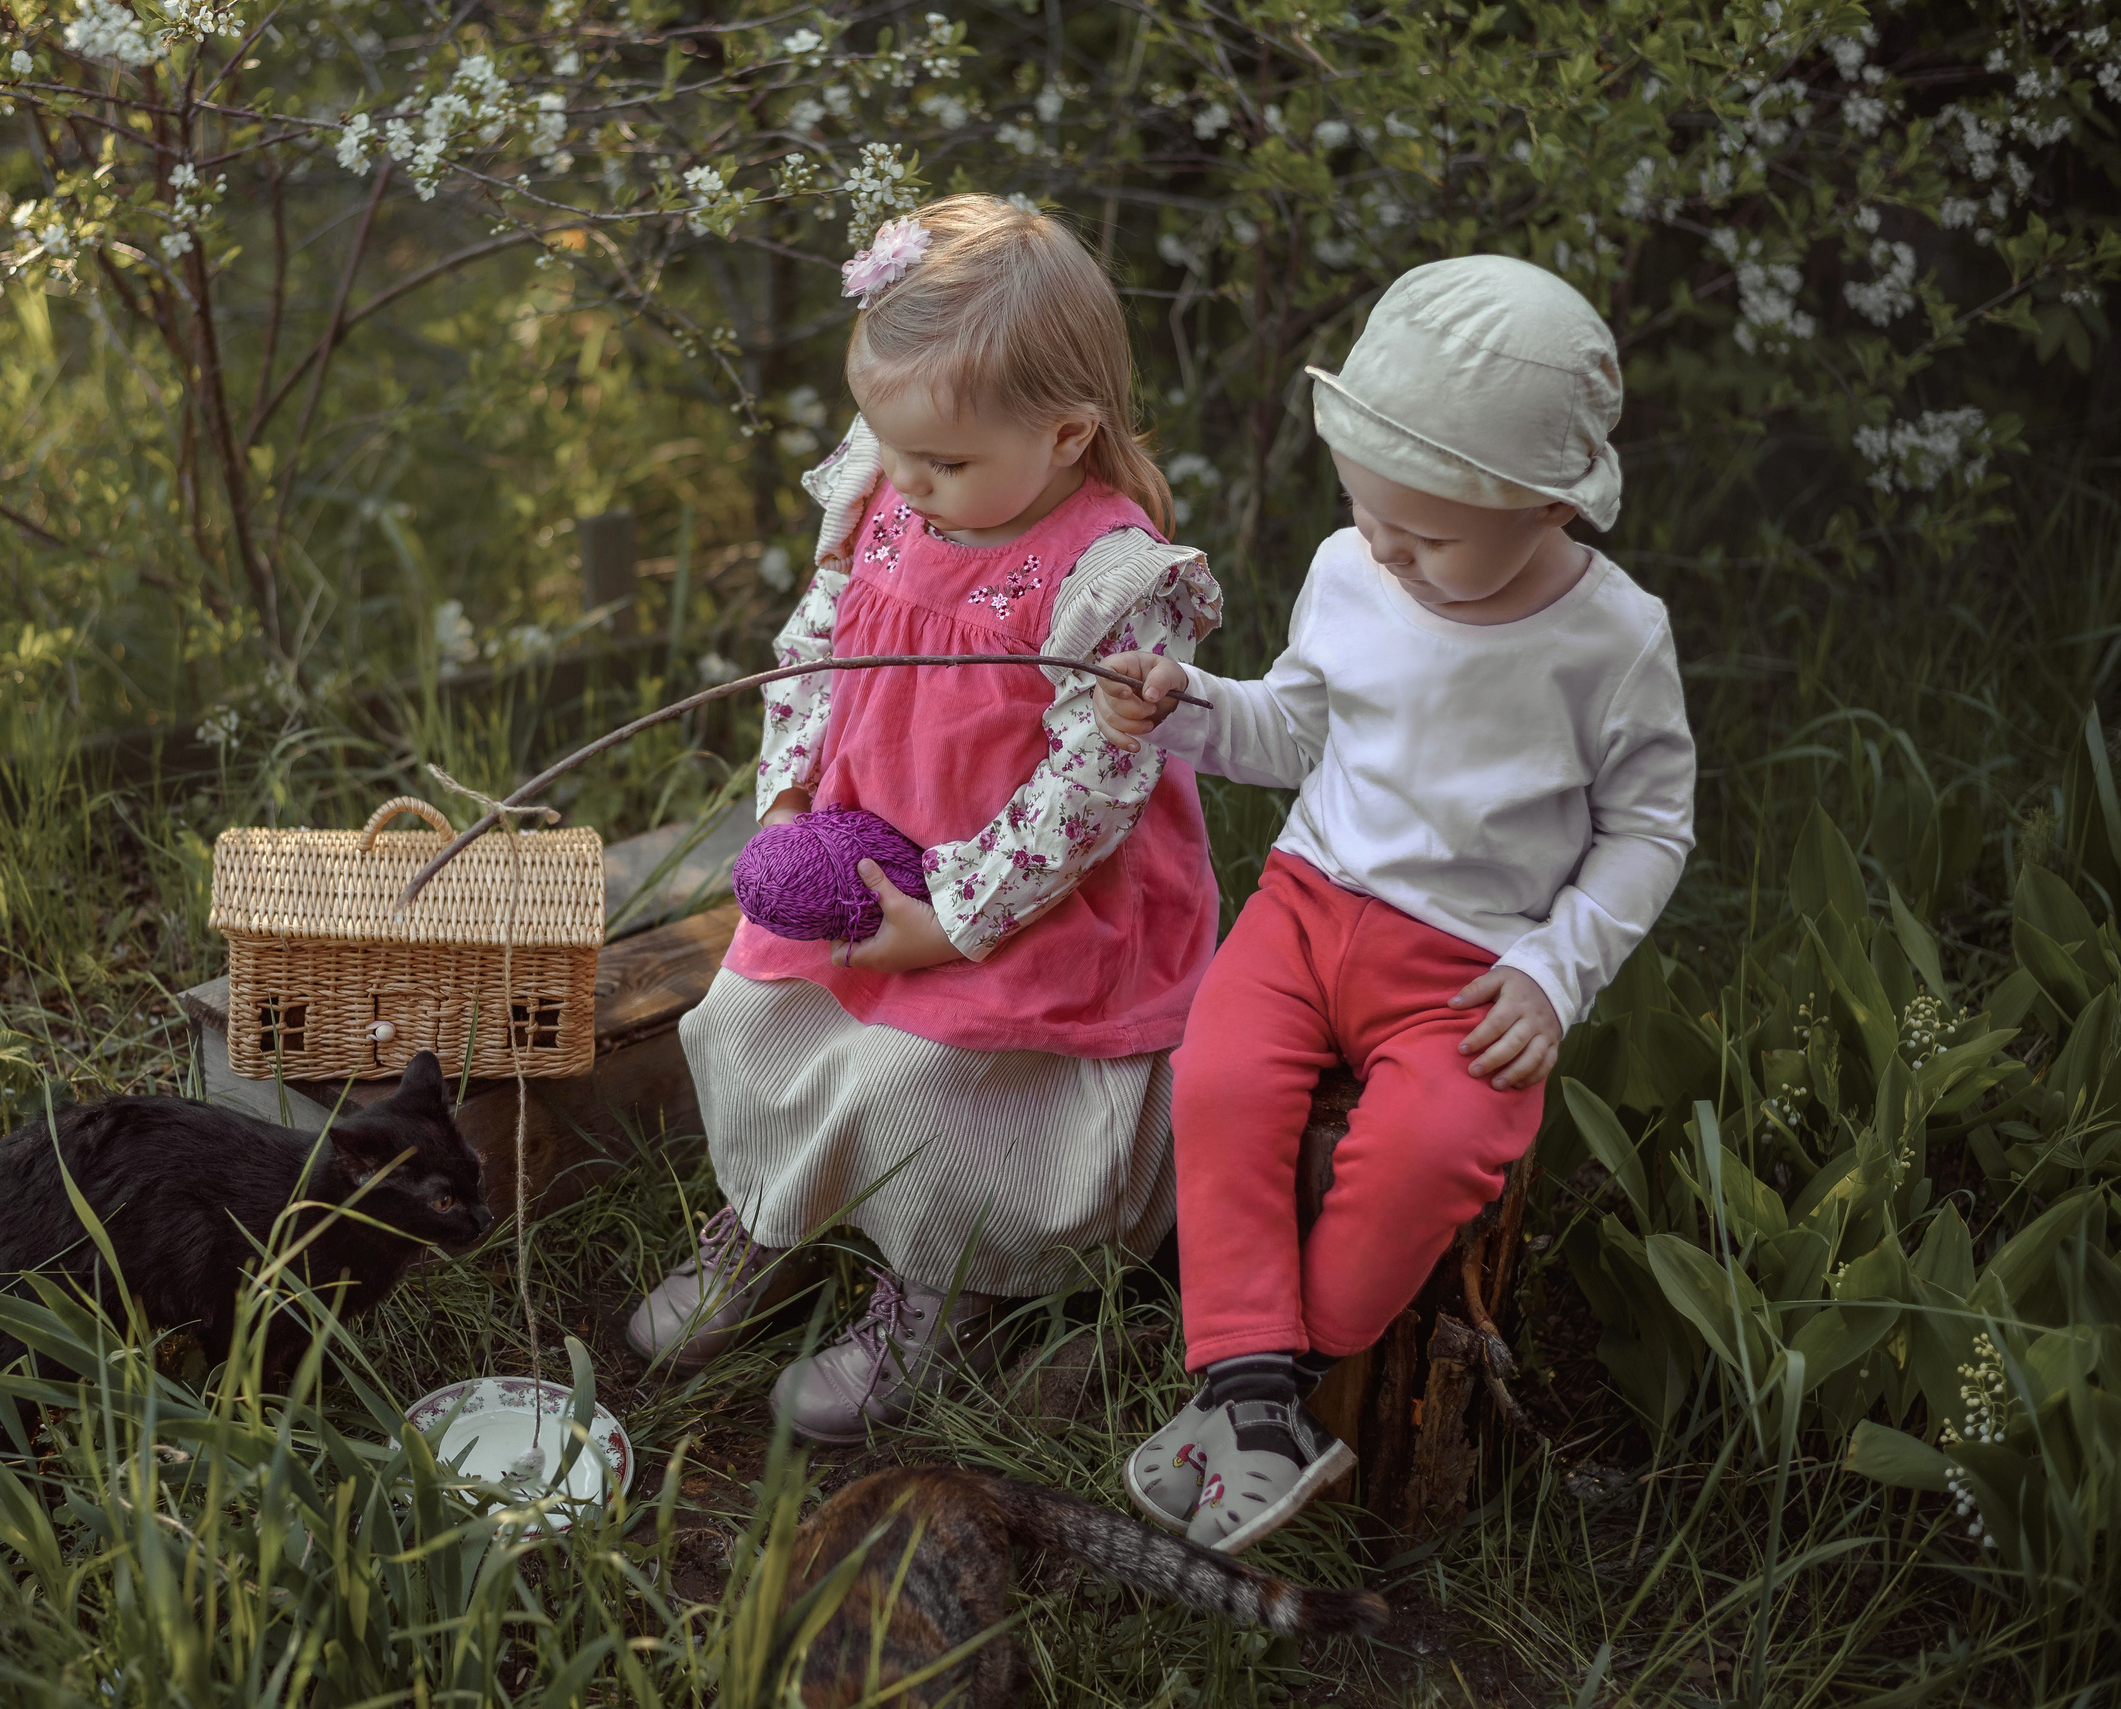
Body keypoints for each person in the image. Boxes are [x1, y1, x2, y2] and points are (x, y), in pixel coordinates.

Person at [1093, 255, 1697, 1552]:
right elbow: (1297, 725)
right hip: (1310, 904)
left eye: (1422, 536)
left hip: (1473, 963)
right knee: (1221, 1080)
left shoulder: (1612, 639)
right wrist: (1189, 706)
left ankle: (1271, 1387)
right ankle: (1253, 1394)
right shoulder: (1348, 570)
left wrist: (1554, 969)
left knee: (1432, 1146)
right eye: (1368, 516)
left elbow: (1651, 827)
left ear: (1547, 508)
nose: (1384, 551)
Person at [626, 194, 1224, 1441]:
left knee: (927, 1077)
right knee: (750, 1015)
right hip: (867, 833)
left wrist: (950, 923)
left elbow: (1090, 789)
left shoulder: (1110, 580)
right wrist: (792, 787)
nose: (905, 482)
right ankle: (772, 1220)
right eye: (890, 448)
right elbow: (813, 645)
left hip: (1026, 892)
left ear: (1066, 434)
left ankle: (939, 1284)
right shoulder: (887, 490)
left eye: (941, 463)